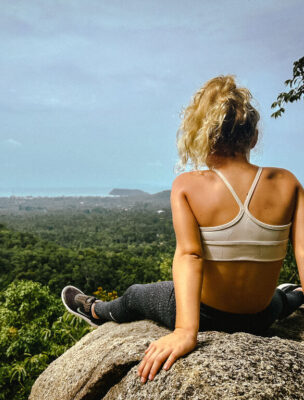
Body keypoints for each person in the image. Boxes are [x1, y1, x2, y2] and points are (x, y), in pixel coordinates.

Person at [61, 75, 304, 385]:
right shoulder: (287, 182)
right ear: (253, 137)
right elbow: (303, 250)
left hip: (207, 315)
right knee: (280, 302)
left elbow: (190, 255)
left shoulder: (188, 186)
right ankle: (295, 295)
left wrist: (185, 332)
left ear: (201, 136)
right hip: (260, 315)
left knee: (137, 295)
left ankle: (96, 311)